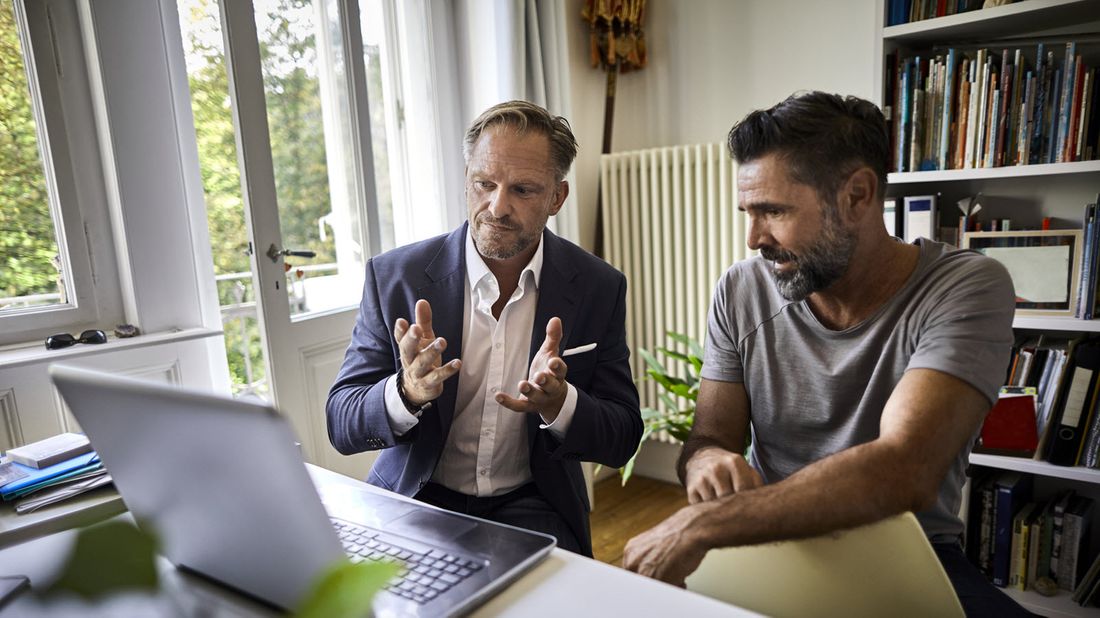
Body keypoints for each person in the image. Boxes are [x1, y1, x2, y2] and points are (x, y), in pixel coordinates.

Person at [622, 91, 1029, 616]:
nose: (753, 239)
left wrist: (702, 524)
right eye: (748, 212)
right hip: (764, 539)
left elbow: (906, 467)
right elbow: (709, 437)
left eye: (772, 211)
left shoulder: (967, 286)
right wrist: (705, 462)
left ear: (857, 196)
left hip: (905, 553)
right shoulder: (741, 290)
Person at [326, 100, 642, 556]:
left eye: (523, 190)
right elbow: (342, 421)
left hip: (537, 503)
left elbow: (623, 435)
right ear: (467, 179)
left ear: (557, 197)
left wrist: (561, 404)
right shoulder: (396, 276)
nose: (497, 206)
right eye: (484, 184)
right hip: (418, 498)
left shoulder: (598, 286)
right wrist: (407, 392)